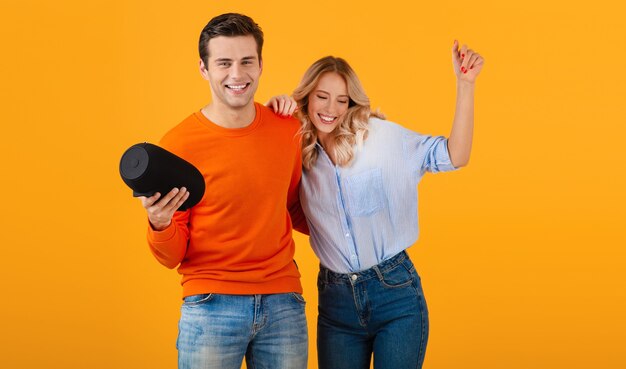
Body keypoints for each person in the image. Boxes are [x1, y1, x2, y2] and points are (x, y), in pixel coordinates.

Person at [268, 41, 483, 369]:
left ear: (351, 102)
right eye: (322, 97)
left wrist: (465, 85)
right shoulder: (296, 149)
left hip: (395, 294)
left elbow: (455, 156)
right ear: (307, 96)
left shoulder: (378, 137)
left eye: (341, 100)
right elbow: (268, 174)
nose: (331, 108)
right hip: (336, 302)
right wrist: (274, 110)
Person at [139, 13, 308, 369]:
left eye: (247, 61)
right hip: (210, 304)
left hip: (283, 303)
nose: (237, 74)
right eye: (224, 63)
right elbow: (172, 256)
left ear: (261, 64)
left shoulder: (286, 129)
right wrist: (159, 224)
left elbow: (296, 208)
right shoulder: (178, 145)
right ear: (204, 68)